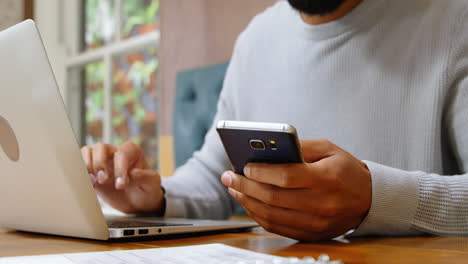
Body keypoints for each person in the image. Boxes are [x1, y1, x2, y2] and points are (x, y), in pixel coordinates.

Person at [81, 0, 468, 241]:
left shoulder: (454, 20)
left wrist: (375, 199)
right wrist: (156, 196)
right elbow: (214, 176)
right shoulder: (256, 39)